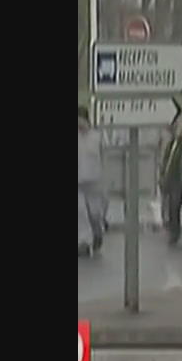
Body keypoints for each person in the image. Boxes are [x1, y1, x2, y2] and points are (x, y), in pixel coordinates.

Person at [78, 106, 107, 257]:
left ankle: (97, 234)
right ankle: (82, 242)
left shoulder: (97, 137)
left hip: (95, 181)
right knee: (80, 212)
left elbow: (105, 157)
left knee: (94, 213)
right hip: (78, 182)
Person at [159, 120, 182, 246]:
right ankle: (175, 232)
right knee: (174, 206)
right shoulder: (173, 143)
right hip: (174, 179)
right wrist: (163, 174)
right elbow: (167, 160)